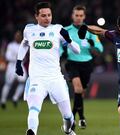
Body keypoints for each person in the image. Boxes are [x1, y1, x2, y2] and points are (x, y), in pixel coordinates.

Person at [15, 2, 81, 135]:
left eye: (49, 15)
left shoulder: (58, 29)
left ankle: (67, 130)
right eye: (43, 15)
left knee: (68, 116)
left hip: (55, 78)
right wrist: (18, 61)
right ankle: (31, 131)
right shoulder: (29, 30)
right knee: (33, 109)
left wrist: (69, 40)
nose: (47, 18)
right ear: (36, 16)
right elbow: (24, 44)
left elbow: (77, 51)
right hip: (37, 79)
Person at [61, 5, 103, 129]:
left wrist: (93, 44)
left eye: (81, 16)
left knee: (80, 93)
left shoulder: (90, 31)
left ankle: (77, 117)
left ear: (84, 17)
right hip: (72, 62)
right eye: (76, 15)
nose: (78, 18)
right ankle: (77, 119)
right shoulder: (65, 30)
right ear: (72, 16)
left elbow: (100, 48)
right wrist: (60, 53)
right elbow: (57, 47)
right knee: (78, 89)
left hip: (87, 64)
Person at [0, 31, 27, 109]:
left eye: (19, 35)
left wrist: (22, 59)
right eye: (16, 35)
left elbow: (25, 57)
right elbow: (7, 57)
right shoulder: (11, 45)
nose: (18, 37)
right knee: (8, 84)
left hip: (20, 65)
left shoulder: (23, 45)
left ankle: (15, 98)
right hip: (12, 66)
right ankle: (3, 101)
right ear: (14, 37)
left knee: (23, 82)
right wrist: (16, 58)